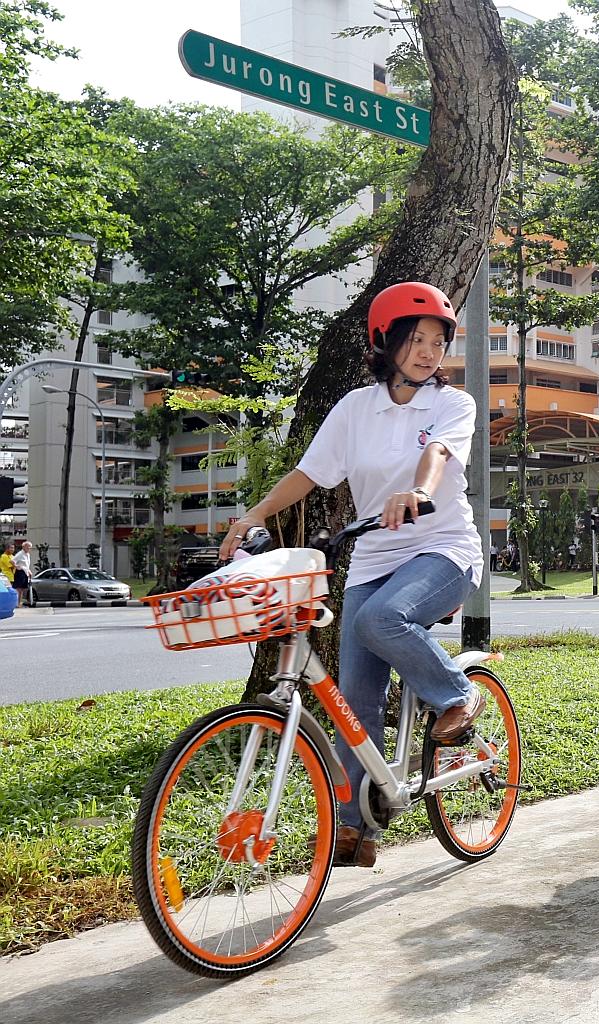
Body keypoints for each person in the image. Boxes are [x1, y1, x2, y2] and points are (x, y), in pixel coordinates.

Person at [219, 281, 486, 868]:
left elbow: (437, 456)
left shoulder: (451, 405)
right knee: (352, 703)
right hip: (372, 557)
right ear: (385, 341)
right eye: (415, 339)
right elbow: (310, 473)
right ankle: (355, 827)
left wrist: (417, 491)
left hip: (443, 549)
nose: (428, 352)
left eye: (438, 341)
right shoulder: (354, 409)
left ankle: (457, 694)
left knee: (381, 619)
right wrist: (256, 514)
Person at [12, 540, 31, 607]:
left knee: (22, 589)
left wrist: (29, 571)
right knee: (19, 589)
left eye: (30, 547)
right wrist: (16, 566)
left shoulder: (27, 554)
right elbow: (12, 561)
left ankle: (19, 603)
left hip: (25, 572)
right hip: (20, 572)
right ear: (24, 547)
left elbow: (27, 564)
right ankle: (16, 603)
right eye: (28, 547)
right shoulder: (20, 554)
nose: (29, 549)